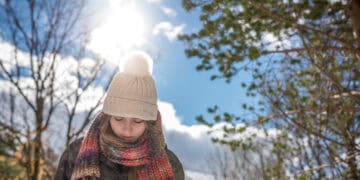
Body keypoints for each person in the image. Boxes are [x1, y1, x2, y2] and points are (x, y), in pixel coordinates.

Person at [54, 51, 184, 180]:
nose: (127, 129)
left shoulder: (171, 165)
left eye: (138, 120)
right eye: (119, 118)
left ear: (149, 122)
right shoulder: (75, 154)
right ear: (108, 117)